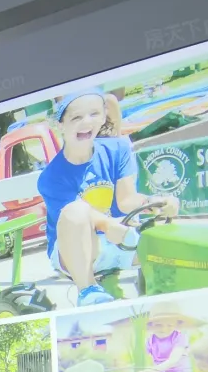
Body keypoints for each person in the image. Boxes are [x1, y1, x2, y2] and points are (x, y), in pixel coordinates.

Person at [36, 91, 178, 307]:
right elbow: (75, 218)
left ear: (103, 116)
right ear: (60, 125)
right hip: (76, 250)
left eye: (94, 114)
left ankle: (165, 294)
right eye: (76, 117)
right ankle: (88, 290)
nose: (87, 122)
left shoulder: (118, 149)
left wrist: (156, 203)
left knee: (174, 241)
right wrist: (108, 225)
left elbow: (127, 200)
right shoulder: (51, 177)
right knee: (76, 211)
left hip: (120, 240)